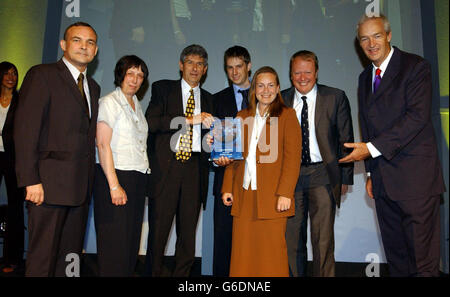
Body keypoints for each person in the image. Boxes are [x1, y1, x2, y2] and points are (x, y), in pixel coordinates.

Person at [339, 14, 445, 277]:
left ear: (388, 36)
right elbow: (368, 125)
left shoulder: (416, 67)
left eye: (376, 36)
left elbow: (416, 118)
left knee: (423, 265)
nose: (371, 43)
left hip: (416, 182)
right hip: (384, 183)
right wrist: (372, 172)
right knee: (397, 262)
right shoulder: (365, 78)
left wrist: (371, 149)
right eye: (364, 38)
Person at [13, 22, 100, 277]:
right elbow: (26, 131)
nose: (84, 46)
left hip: (79, 190)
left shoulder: (92, 88)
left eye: (90, 42)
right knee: (42, 258)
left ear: (96, 51)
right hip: (47, 188)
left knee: (69, 261)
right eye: (77, 40)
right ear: (63, 45)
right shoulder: (42, 75)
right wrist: (31, 180)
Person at [221, 66, 301, 277]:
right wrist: (227, 188)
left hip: (274, 197)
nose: (266, 90)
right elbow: (233, 157)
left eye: (271, 85)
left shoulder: (287, 115)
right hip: (244, 195)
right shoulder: (241, 116)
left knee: (272, 254)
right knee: (243, 254)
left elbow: (293, 159)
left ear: (278, 88)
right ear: (253, 89)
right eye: (260, 85)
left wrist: (286, 193)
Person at [282, 50, 354, 277]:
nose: (302, 77)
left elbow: (346, 140)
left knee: (322, 240)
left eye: (307, 72)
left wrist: (345, 178)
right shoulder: (280, 100)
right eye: (297, 73)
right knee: (292, 239)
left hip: (322, 173)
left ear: (317, 73)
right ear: (290, 74)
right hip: (290, 177)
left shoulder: (335, 97)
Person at [145, 44, 214, 277]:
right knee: (158, 232)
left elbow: (210, 139)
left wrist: (214, 145)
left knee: (187, 236)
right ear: (181, 65)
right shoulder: (163, 89)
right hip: (167, 167)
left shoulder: (209, 99)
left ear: (205, 70)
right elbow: (152, 123)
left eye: (200, 64)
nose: (195, 68)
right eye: (190, 63)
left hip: (195, 170)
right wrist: (189, 119)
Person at [93, 55, 150, 277]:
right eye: (130, 74)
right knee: (114, 243)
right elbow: (102, 143)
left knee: (130, 242)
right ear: (121, 75)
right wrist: (114, 185)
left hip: (137, 176)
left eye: (140, 75)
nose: (135, 80)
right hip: (115, 176)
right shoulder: (109, 102)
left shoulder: (137, 104)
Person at [212, 45, 252, 277]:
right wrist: (216, 159)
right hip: (226, 179)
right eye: (230, 68)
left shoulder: (265, 95)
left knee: (253, 239)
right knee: (224, 240)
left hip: (259, 181)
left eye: (239, 66)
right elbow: (210, 139)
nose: (235, 72)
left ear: (248, 66)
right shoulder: (217, 100)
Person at [0, 62, 24, 274]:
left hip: (13, 157)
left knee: (15, 207)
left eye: (14, 73)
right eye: (7, 73)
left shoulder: (21, 100)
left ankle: (12, 258)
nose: (11, 77)